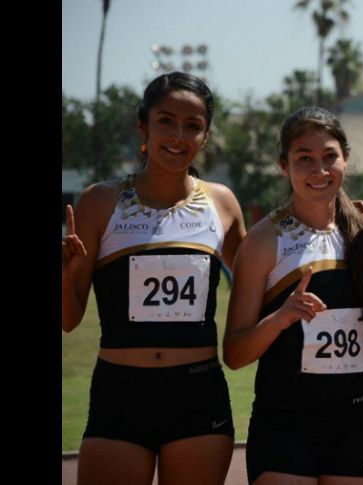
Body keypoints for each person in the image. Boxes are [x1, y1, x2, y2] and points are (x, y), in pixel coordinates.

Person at [61, 72, 247, 485]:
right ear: (142, 126)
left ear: (205, 135)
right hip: (120, 394)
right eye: (166, 120)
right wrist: (65, 275)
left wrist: (351, 235)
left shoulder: (222, 203)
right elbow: (69, 319)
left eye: (193, 125)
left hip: (199, 397)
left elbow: (263, 285)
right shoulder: (99, 201)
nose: (178, 135)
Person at [223, 106, 363, 485]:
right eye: (304, 159)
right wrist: (280, 318)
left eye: (330, 157)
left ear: (345, 158)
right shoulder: (264, 241)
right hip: (285, 421)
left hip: (355, 418)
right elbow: (234, 353)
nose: (320, 170)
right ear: (284, 165)